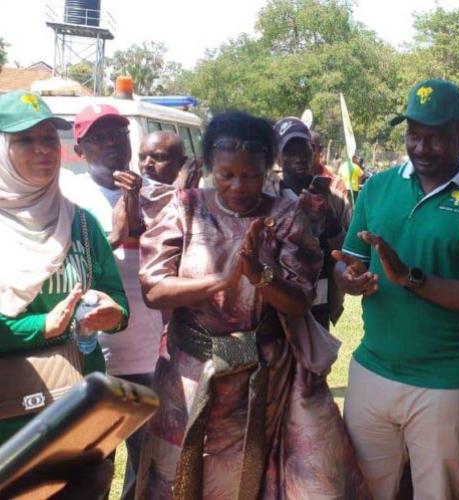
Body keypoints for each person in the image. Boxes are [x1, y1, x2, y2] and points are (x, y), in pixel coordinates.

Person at [136, 111, 367, 499]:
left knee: (254, 477)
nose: (239, 185)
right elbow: (154, 290)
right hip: (191, 375)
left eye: (252, 175)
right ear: (210, 166)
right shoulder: (184, 207)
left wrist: (260, 275)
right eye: (227, 175)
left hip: (265, 376)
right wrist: (220, 282)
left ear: (267, 170)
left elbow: (300, 301)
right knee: (181, 476)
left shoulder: (285, 215)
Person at [336, 79, 459, 499]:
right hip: (372, 369)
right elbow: (350, 262)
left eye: (435, 138)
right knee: (362, 489)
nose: (421, 147)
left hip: (447, 382)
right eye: (414, 135)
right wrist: (352, 279)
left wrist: (411, 278)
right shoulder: (378, 187)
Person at [0, 91, 129, 445]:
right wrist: (40, 327)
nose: (43, 150)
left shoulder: (80, 223)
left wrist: (112, 313)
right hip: (8, 423)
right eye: (25, 140)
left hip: (77, 408)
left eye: (48, 139)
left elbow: (116, 297)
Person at [60, 104, 163, 499]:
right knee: (92, 470)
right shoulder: (65, 196)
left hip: (150, 355)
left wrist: (138, 204)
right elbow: (60, 270)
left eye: (119, 135)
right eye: (99, 137)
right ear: (81, 150)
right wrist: (114, 235)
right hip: (88, 356)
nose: (111, 144)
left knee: (148, 468)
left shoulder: (158, 195)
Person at [266, 117, 351, 329]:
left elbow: (346, 254)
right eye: (289, 150)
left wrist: (328, 216)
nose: (299, 157)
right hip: (276, 299)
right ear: (278, 155)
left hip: (319, 300)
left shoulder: (334, 198)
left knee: (318, 360)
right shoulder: (267, 197)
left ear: (313, 151)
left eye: (304, 148)